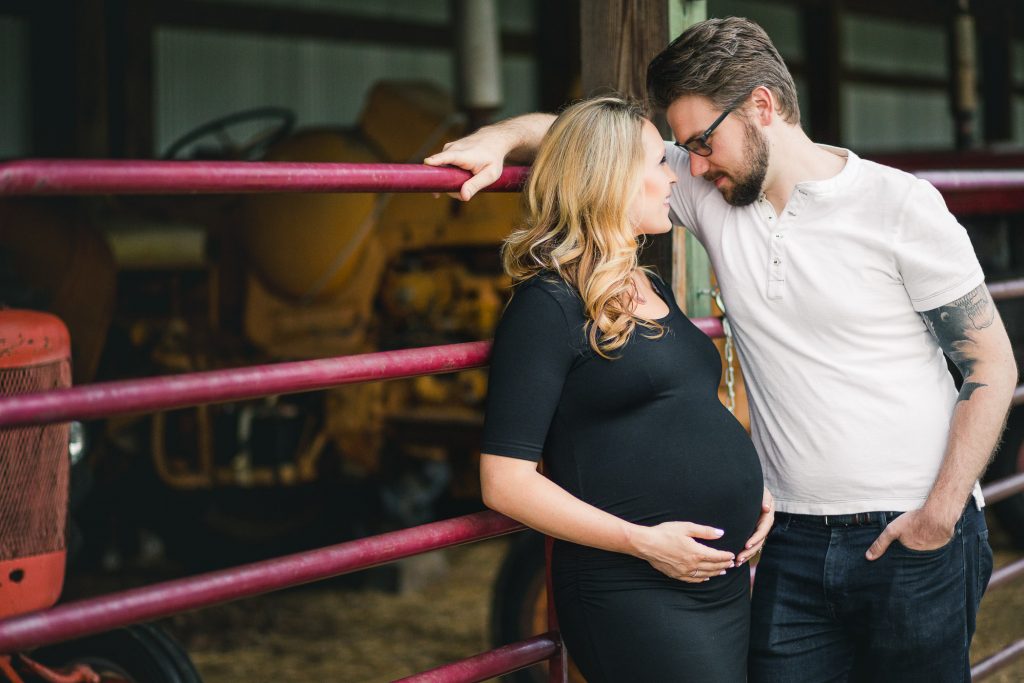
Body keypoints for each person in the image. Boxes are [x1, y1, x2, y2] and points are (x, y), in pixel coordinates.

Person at [426, 16, 1016, 683]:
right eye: (681, 151)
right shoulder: (714, 194)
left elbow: (991, 362)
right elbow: (592, 144)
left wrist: (940, 514)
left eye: (702, 143)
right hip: (790, 545)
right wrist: (498, 136)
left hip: (910, 535)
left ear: (762, 106)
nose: (691, 167)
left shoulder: (900, 205)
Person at [477, 96, 769, 682]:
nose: (674, 173)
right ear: (609, 177)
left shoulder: (649, 281)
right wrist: (643, 543)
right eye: (657, 162)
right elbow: (503, 482)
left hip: (720, 578)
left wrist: (751, 493)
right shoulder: (549, 305)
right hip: (634, 586)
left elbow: (681, 412)